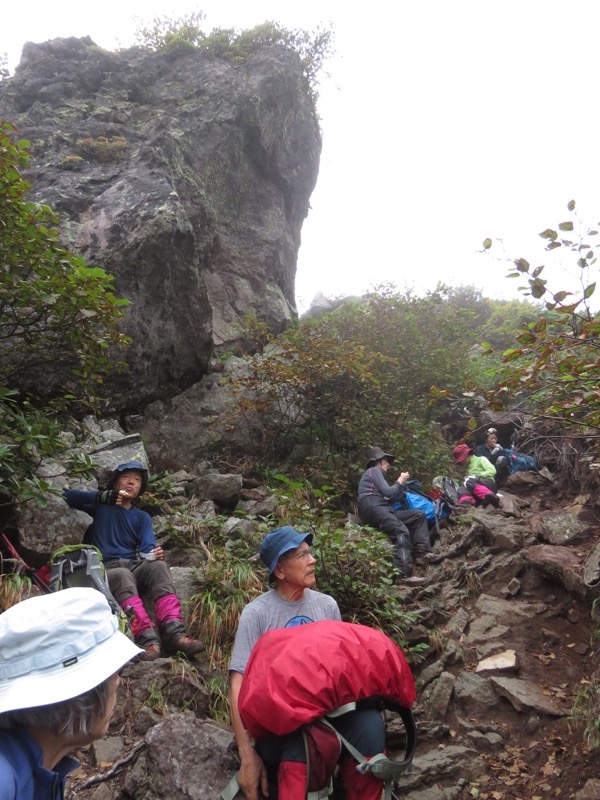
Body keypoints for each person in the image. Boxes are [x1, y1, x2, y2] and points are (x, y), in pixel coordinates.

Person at [228, 526, 386, 800]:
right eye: (301, 555)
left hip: (327, 714)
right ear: (280, 571)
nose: (312, 560)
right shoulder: (257, 614)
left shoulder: (327, 606)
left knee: (371, 725)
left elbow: (340, 670)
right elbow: (238, 683)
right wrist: (247, 755)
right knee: (302, 738)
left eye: (309, 553)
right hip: (280, 724)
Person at [0, 587, 143, 800]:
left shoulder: (36, 770)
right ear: (82, 696)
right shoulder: (4, 781)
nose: (118, 682)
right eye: (114, 672)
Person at [63, 460, 205, 660]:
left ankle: (174, 632)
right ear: (115, 483)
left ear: (140, 489)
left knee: (159, 567)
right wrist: (102, 497)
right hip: (105, 569)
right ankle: (147, 639)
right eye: (126, 477)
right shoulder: (100, 507)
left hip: (132, 565)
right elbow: (67, 496)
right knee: (122, 575)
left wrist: (154, 554)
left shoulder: (141, 517)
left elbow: (147, 547)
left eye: (137, 480)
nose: (131, 482)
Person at [357, 446, 432, 586]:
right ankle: (403, 575)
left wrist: (400, 488)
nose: (388, 464)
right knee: (400, 531)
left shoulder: (374, 475)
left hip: (381, 508)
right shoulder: (373, 470)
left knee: (418, 515)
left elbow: (389, 497)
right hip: (373, 507)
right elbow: (387, 491)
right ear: (377, 461)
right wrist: (400, 481)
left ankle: (423, 553)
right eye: (385, 461)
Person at [453, 443, 500, 508]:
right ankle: (469, 502)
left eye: (462, 460)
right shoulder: (468, 468)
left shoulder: (481, 459)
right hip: (476, 489)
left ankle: (489, 495)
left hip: (489, 484)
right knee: (461, 487)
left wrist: (478, 476)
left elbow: (492, 470)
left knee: (469, 481)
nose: (462, 463)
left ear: (467, 455)